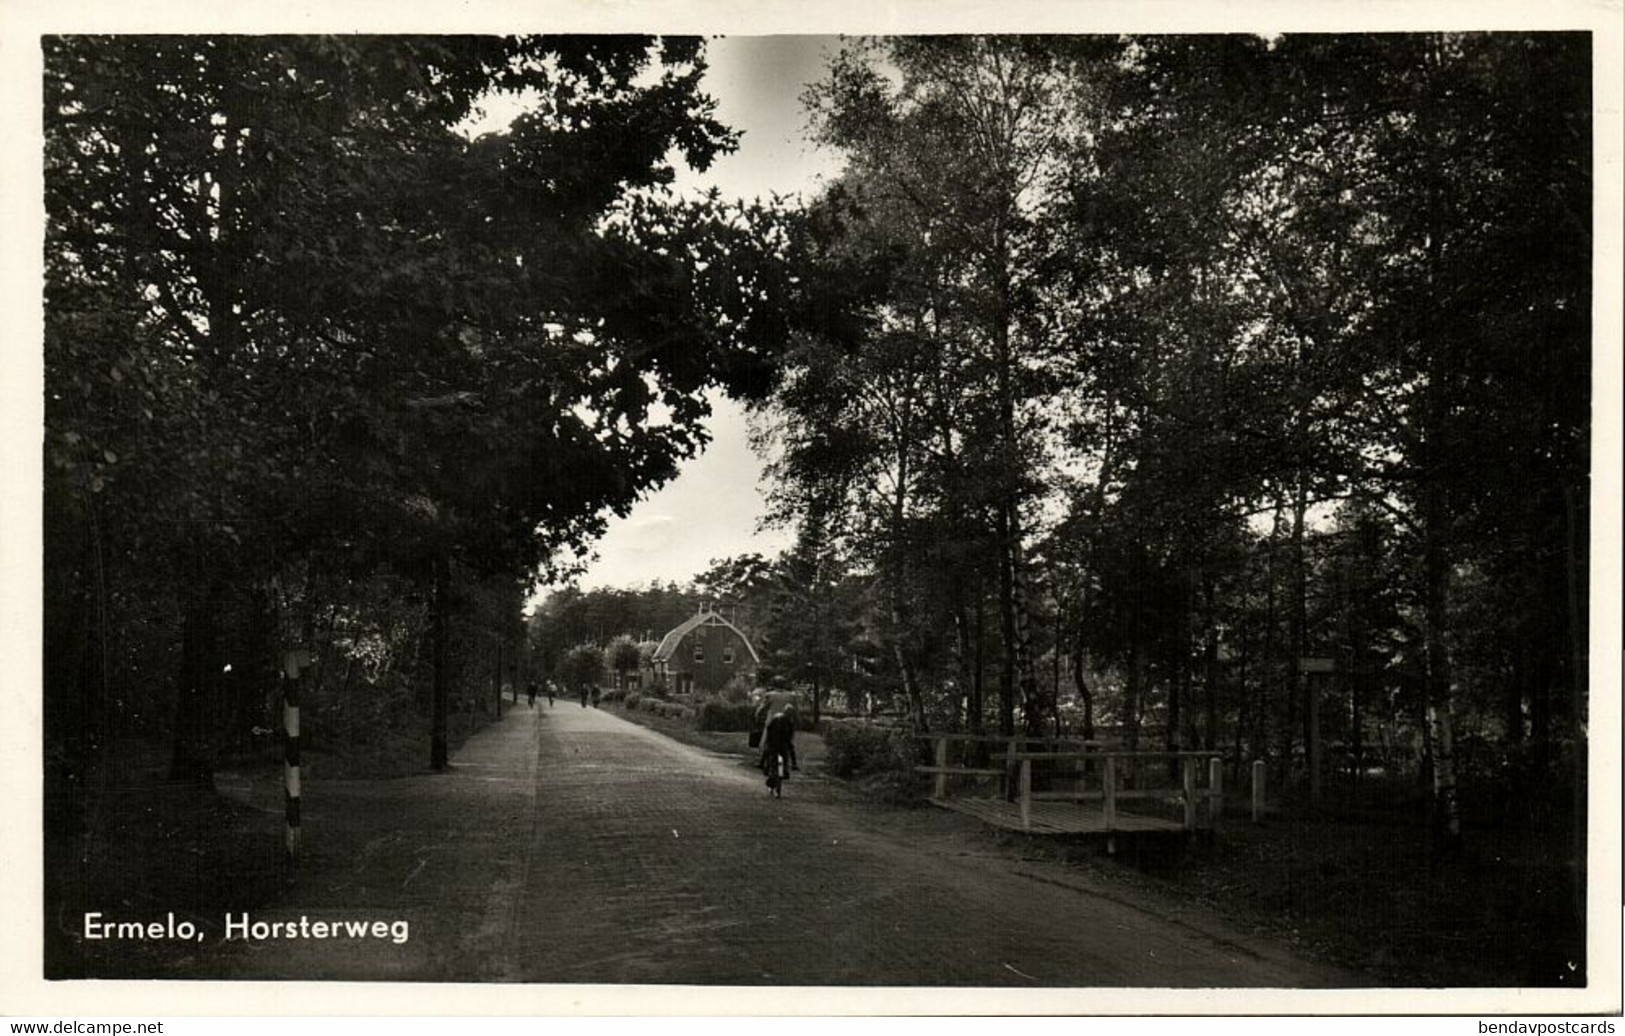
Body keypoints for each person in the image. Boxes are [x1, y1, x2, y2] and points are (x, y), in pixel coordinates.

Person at [759, 707, 799, 799]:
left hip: (776, 743)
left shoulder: (777, 718)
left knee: (768, 754)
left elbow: (769, 729)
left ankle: (762, 764)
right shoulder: (787, 721)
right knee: (788, 752)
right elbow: (790, 734)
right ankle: (792, 765)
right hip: (780, 743)